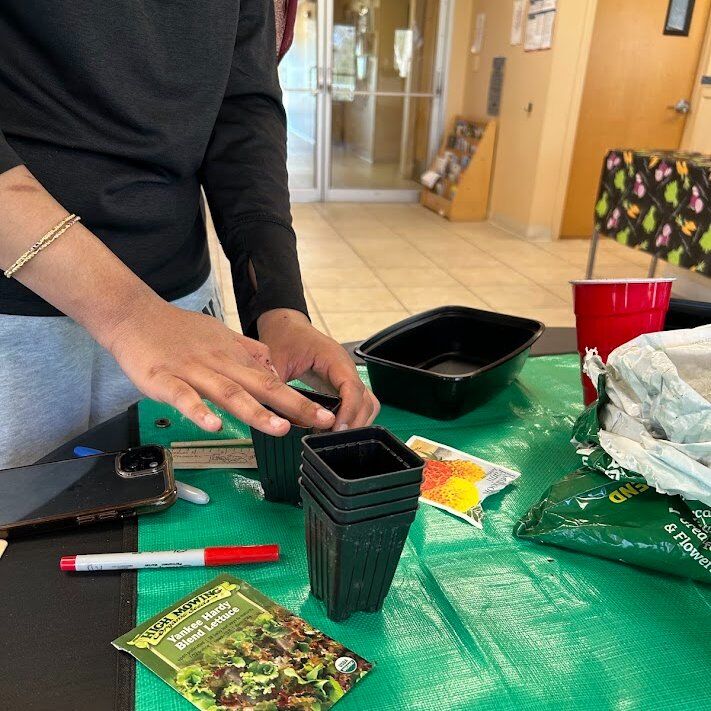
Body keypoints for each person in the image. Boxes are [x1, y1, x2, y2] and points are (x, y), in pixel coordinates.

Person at [0, 1, 379, 469]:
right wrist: (127, 312)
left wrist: (279, 308)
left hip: (184, 311)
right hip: (15, 314)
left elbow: (243, 112)